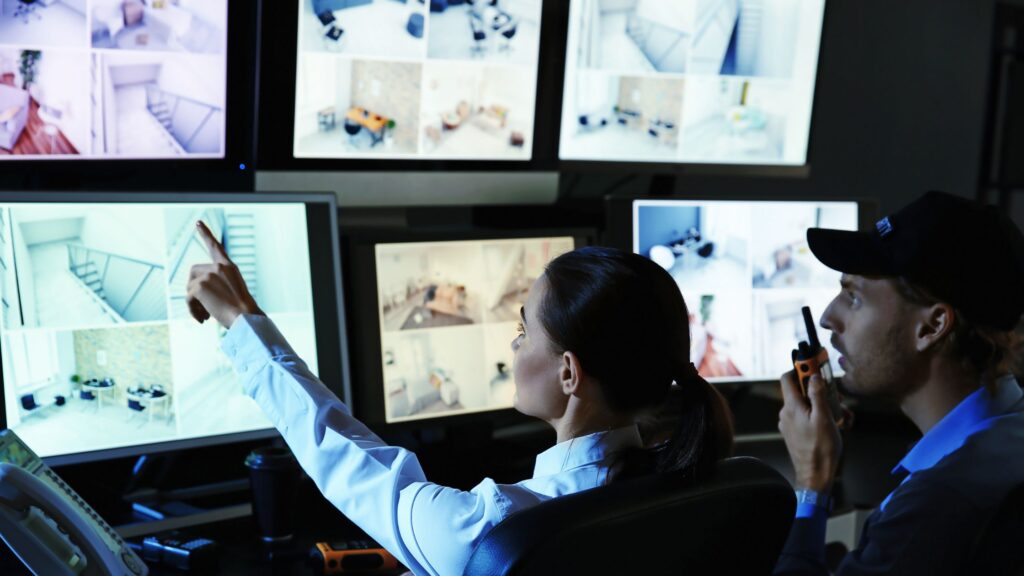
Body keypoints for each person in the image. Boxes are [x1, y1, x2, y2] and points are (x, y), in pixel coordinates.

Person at [185, 226, 734, 576]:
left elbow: (345, 459)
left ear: (569, 373)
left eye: (524, 331)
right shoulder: (691, 489)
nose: (514, 345)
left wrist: (239, 320)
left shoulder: (497, 531)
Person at [774, 191, 1024, 575]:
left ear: (932, 326)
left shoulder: (936, 504)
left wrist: (813, 480)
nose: (828, 318)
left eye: (854, 297)